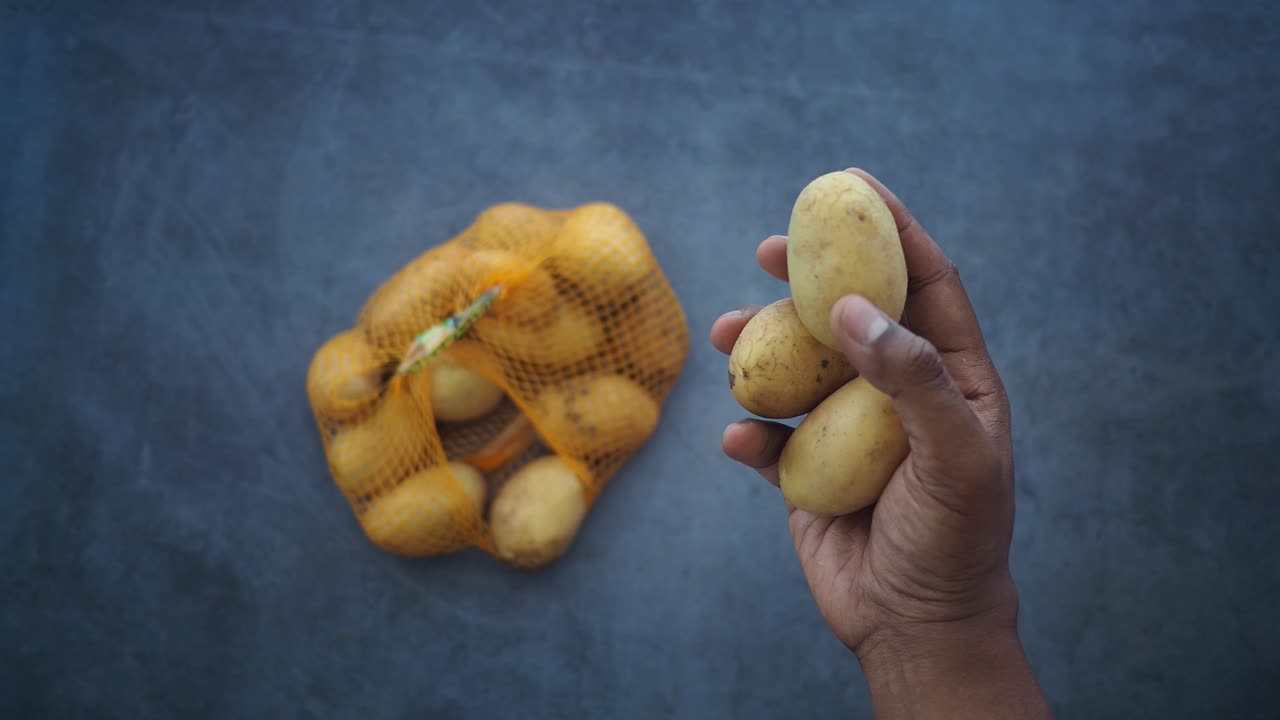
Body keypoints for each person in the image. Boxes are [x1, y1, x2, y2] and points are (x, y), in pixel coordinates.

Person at [709, 169, 1053, 719]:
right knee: (755, 372)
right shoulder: (854, 344)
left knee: (755, 369)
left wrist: (926, 622)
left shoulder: (879, 379)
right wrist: (928, 625)